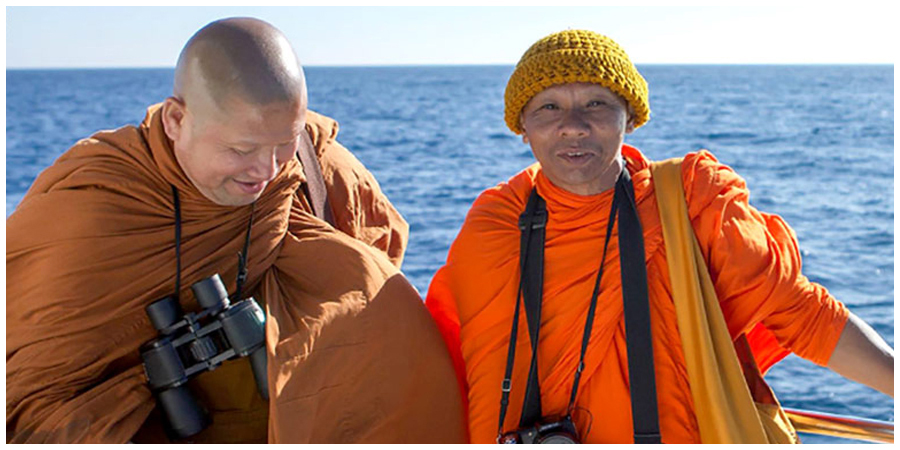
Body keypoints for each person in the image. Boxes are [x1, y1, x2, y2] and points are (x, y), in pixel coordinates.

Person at [6, 18, 465, 444]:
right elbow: (30, 391)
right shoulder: (94, 206)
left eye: (284, 142)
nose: (266, 170)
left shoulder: (315, 169)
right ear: (175, 120)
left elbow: (381, 239)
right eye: (241, 149)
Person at [425, 29, 893, 444]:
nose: (574, 125)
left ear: (630, 118)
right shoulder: (496, 225)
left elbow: (803, 314)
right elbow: (465, 367)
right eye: (549, 106)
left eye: (597, 104)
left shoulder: (689, 202)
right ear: (522, 128)